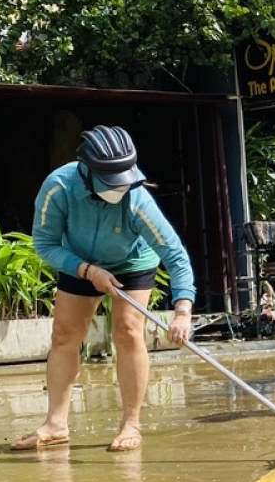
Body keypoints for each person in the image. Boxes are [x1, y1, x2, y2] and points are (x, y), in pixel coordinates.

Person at [12, 125, 197, 452]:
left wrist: (183, 310)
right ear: (87, 171)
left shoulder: (136, 197)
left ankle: (131, 423)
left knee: (127, 331)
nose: (120, 188)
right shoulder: (59, 187)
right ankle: (55, 424)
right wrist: (86, 270)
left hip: (132, 262)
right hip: (79, 261)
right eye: (112, 180)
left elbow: (174, 254)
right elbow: (45, 243)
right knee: (64, 335)